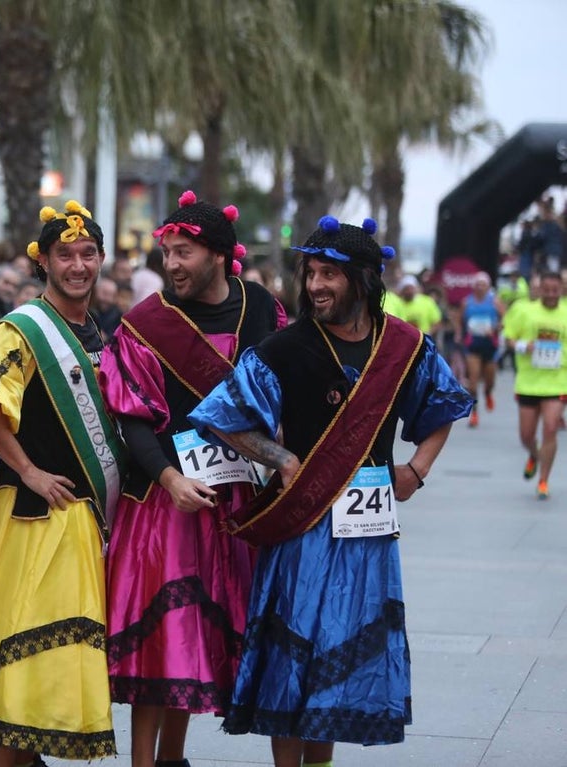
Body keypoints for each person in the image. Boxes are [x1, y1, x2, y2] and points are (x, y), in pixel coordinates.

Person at [189, 216, 472, 767]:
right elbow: (219, 417)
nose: (316, 284)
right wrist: (280, 457)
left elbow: (444, 406)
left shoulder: (404, 347)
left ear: (363, 280)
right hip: (303, 528)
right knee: (293, 657)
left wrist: (415, 470)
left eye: (329, 275)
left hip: (368, 532)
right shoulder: (287, 348)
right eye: (311, 272)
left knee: (339, 662)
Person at [0, 200, 125, 764]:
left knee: (50, 675)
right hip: (32, 520)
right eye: (65, 255)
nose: (78, 265)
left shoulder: (98, 330)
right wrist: (27, 468)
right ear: (43, 263)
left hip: (81, 521)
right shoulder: (24, 328)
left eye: (88, 254)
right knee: (18, 672)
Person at [100, 191, 285, 767]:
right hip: (166, 499)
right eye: (168, 253)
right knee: (161, 634)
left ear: (218, 255)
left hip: (236, 499)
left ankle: (173, 759)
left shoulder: (263, 311)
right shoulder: (147, 322)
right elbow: (131, 418)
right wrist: (167, 479)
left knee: (194, 636)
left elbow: (283, 394)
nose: (172, 264)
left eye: (183, 252)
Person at [502, 269, 567, 500]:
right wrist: (523, 346)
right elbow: (508, 337)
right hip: (528, 382)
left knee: (551, 428)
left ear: (562, 289)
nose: (551, 294)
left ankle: (543, 481)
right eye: (546, 290)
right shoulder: (524, 311)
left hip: (558, 382)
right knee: (526, 436)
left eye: (555, 290)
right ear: (539, 289)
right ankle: (534, 454)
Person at [461, 272, 505, 428]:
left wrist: (495, 329)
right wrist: (460, 337)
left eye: (483, 284)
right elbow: (462, 322)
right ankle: (474, 414)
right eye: (477, 284)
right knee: (472, 383)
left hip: (490, 345)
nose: (480, 287)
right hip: (473, 346)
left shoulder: (495, 302)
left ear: (488, 286)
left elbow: (505, 322)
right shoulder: (467, 302)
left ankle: (488, 393)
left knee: (489, 381)